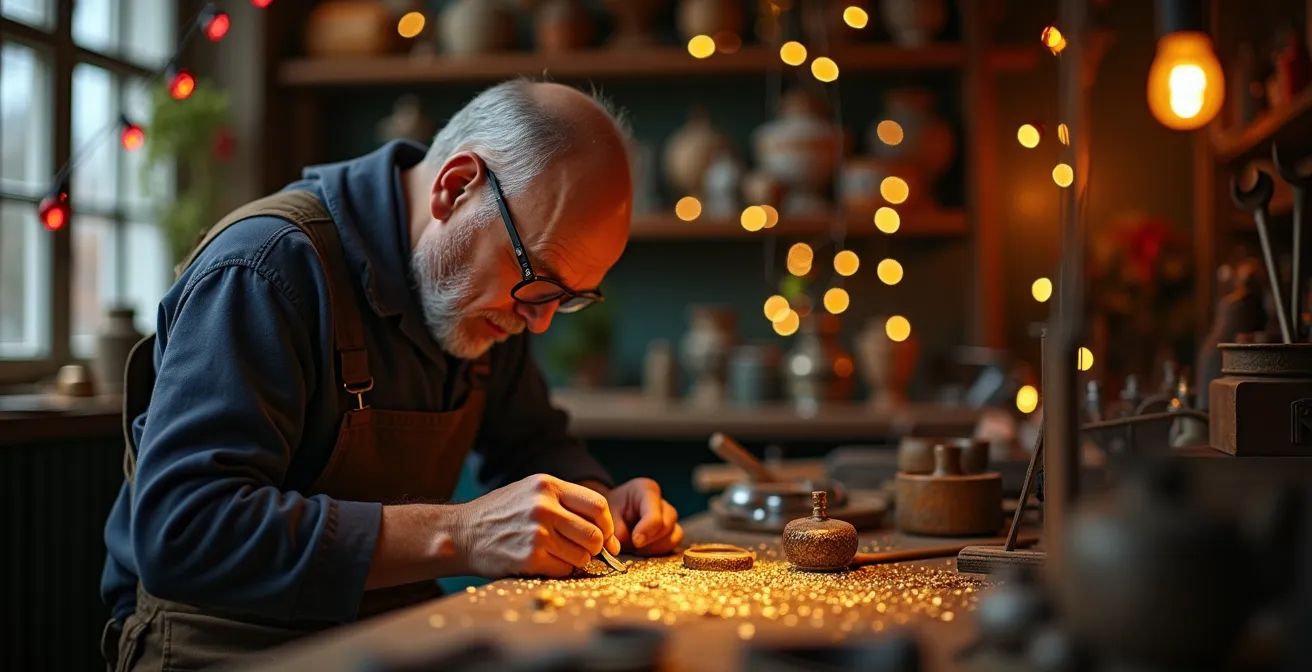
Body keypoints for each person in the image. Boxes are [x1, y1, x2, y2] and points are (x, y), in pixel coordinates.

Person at [99, 79, 683, 670]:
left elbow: (530, 440)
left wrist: (601, 502)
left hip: (393, 633)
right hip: (225, 646)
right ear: (456, 189)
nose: (540, 323)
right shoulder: (265, 269)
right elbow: (184, 531)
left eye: (571, 298)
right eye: (541, 282)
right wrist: (462, 532)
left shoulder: (491, 295)